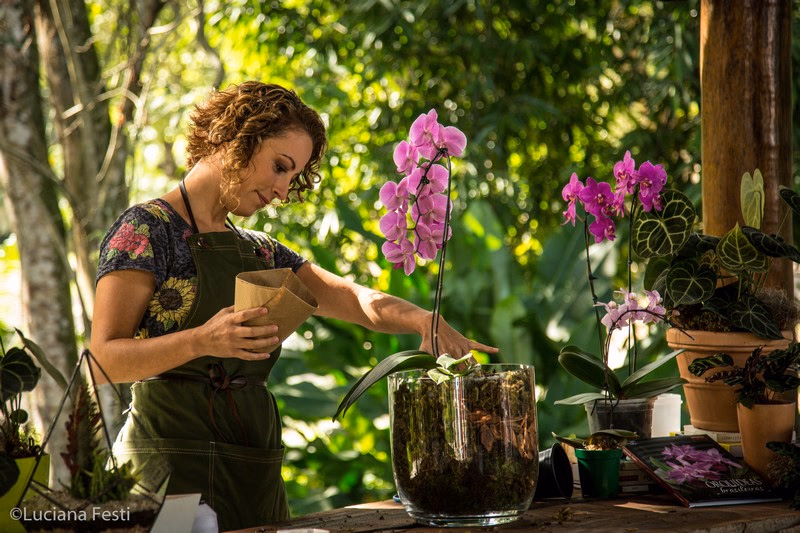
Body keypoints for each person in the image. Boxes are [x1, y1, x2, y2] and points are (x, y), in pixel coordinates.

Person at [90, 81, 498, 530]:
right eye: (280, 167)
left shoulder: (262, 252)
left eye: (292, 176)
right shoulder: (146, 231)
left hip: (254, 477)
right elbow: (102, 361)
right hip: (166, 480)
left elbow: (359, 300)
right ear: (236, 138)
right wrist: (204, 339)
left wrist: (424, 319)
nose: (283, 191)